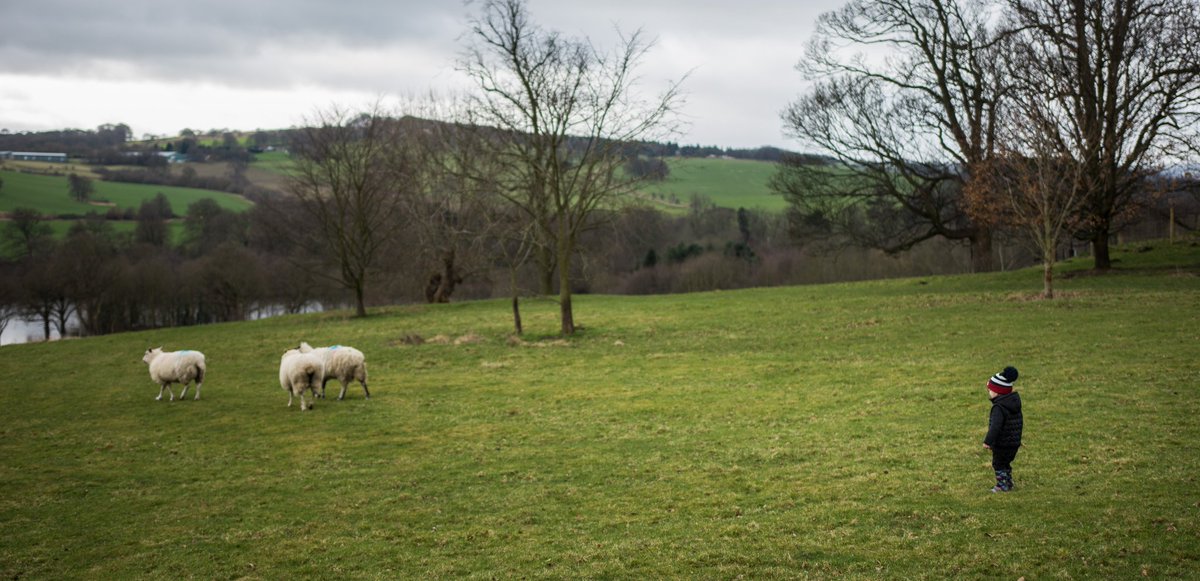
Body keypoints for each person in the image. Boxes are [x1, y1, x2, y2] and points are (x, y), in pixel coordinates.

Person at [983, 366, 1023, 492]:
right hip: (1014, 442)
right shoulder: (1013, 403)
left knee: (998, 463)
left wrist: (988, 441)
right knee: (1006, 463)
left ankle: (1002, 485)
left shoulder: (998, 408)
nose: (989, 392)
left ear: (997, 392)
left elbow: (995, 426)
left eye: (990, 389)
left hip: (1002, 443)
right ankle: (1008, 482)